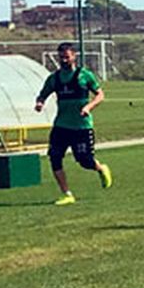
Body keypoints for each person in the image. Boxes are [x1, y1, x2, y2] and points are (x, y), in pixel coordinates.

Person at [34, 42, 112, 205]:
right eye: (61, 57)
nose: (64, 60)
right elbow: (42, 95)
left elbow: (100, 95)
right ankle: (67, 194)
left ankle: (100, 168)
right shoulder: (54, 78)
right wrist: (40, 103)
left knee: (85, 161)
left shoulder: (84, 75)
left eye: (67, 57)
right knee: (55, 158)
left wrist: (89, 107)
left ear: (74, 56)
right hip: (61, 126)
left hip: (81, 127)